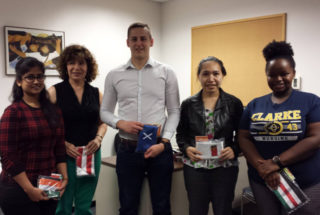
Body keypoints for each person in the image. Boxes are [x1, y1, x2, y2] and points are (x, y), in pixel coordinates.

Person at [100, 22, 180, 215]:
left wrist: (165, 142)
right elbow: (104, 112)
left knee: (161, 206)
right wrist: (120, 123)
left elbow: (175, 111)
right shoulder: (114, 75)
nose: (139, 43)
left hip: (160, 148)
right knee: (128, 206)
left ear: (151, 41)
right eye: (134, 39)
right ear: (127, 42)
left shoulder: (166, 72)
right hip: (128, 149)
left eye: (143, 38)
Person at [238, 41, 320, 215]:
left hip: (304, 182)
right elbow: (243, 137)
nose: (278, 80)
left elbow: (315, 138)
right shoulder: (254, 105)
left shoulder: (311, 101)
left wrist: (276, 163)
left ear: (293, 73)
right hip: (263, 180)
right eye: (271, 75)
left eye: (284, 74)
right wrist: (263, 168)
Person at [176, 56, 243, 215]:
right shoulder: (188, 104)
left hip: (224, 168)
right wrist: (186, 148)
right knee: (197, 210)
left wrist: (235, 148)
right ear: (199, 76)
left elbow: (243, 135)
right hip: (195, 168)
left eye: (216, 73)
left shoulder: (234, 103)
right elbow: (181, 134)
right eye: (205, 74)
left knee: (223, 210)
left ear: (222, 75)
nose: (211, 79)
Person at [0, 57, 68, 215]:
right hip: (19, 187)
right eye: (30, 77)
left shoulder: (54, 111)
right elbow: (7, 156)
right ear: (19, 81)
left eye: (40, 76)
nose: (36, 81)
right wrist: (29, 189)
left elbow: (58, 148)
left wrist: (64, 178)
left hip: (49, 182)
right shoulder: (13, 112)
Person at [48, 45, 107, 215]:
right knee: (61, 204)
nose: (76, 67)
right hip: (62, 155)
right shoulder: (54, 91)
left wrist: (98, 139)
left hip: (90, 154)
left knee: (84, 204)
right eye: (71, 63)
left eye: (81, 63)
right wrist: (62, 143)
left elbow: (103, 123)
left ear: (88, 67)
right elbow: (45, 126)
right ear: (65, 66)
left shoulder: (96, 93)